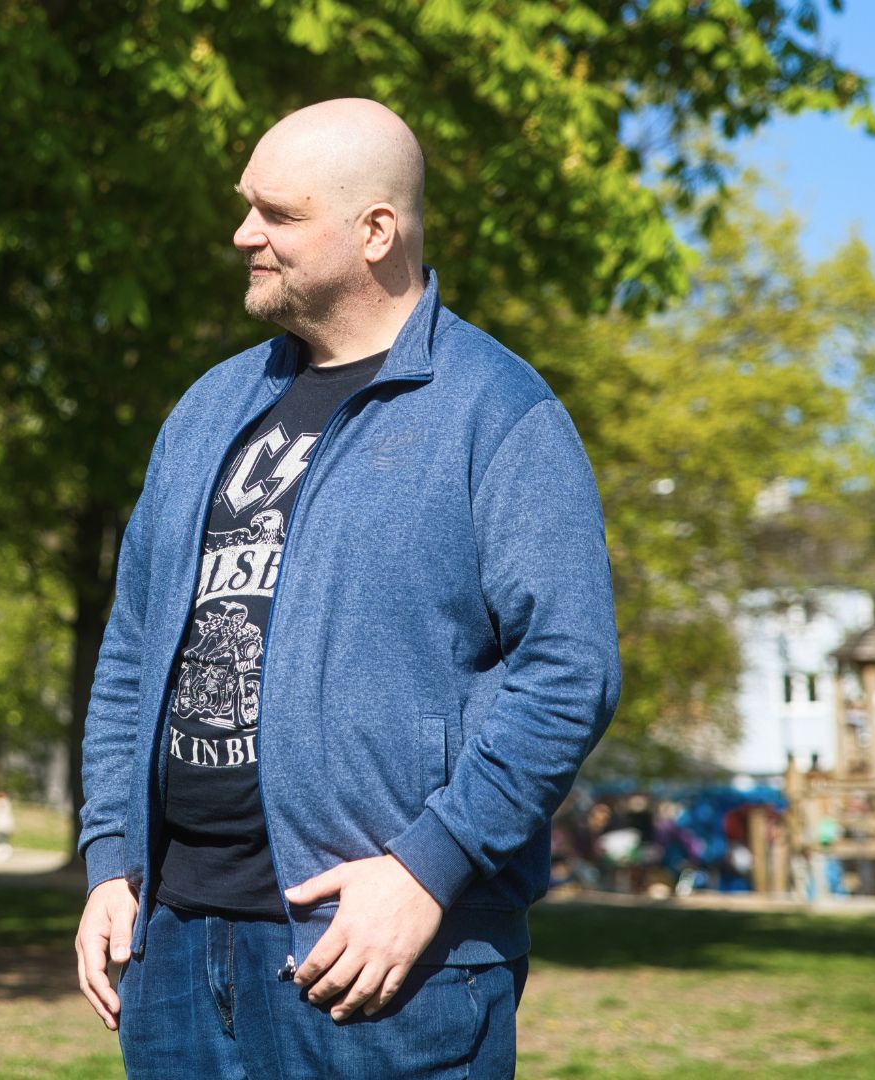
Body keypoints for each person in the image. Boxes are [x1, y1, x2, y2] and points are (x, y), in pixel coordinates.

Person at [73, 98, 621, 1078]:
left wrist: (430, 868)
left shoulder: (494, 411)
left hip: (385, 958)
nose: (245, 234)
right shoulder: (209, 408)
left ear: (376, 231)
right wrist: (112, 858)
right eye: (248, 208)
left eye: (276, 214)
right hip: (173, 950)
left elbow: (569, 670)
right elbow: (133, 648)